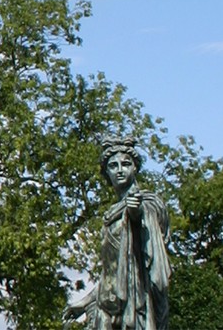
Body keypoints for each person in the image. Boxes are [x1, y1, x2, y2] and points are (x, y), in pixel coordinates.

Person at [64, 137, 170, 329]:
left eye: (126, 164)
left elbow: (143, 225)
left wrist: (135, 212)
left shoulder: (146, 203)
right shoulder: (112, 214)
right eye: (113, 166)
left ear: (135, 168)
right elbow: (111, 274)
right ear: (106, 173)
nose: (120, 169)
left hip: (135, 306)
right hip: (108, 307)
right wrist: (85, 301)